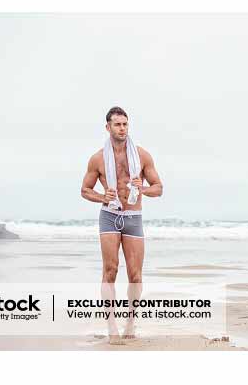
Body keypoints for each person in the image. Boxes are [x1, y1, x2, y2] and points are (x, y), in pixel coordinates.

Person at [79, 106, 163, 343]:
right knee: (110, 270)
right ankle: (111, 326)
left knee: (135, 275)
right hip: (109, 215)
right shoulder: (97, 159)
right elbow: (85, 190)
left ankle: (131, 323)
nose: (122, 128)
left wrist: (142, 188)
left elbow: (159, 188)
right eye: (117, 124)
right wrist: (102, 196)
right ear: (108, 127)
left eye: (125, 124)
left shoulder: (142, 156)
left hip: (133, 217)